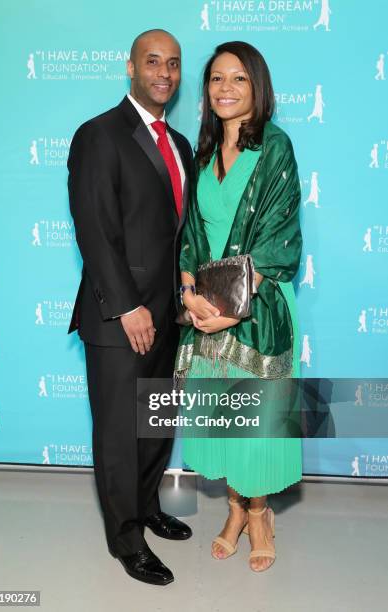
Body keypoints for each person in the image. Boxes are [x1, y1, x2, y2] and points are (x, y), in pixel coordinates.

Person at [67, 29, 194, 586]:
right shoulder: (99, 135)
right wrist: (127, 308)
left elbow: (178, 234)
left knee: (156, 424)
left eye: (173, 64)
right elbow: (95, 230)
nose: (164, 73)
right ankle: (126, 541)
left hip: (170, 316)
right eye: (152, 62)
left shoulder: (183, 144)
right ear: (130, 67)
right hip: (120, 319)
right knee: (120, 432)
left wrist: (184, 297)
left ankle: (146, 507)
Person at [175, 41, 302, 572]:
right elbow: (190, 235)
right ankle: (233, 508)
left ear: (258, 87)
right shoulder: (202, 154)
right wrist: (189, 292)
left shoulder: (275, 148)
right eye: (216, 78)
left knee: (258, 424)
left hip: (259, 308)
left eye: (239, 79)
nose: (225, 88)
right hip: (206, 310)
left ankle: (260, 512)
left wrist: (231, 311)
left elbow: (278, 242)